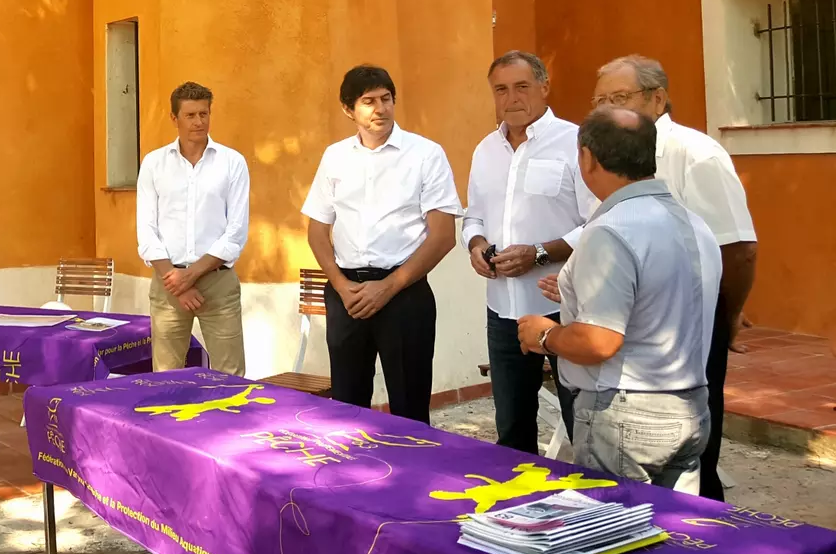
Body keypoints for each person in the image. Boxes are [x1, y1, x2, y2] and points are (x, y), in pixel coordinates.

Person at [518, 108, 722, 492]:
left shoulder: (611, 229)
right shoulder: (694, 223)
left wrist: (544, 335)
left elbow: (599, 342)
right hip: (690, 404)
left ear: (587, 158)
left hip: (626, 412)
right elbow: (662, 296)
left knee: (616, 526)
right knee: (669, 527)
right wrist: (579, 292)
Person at [589, 55, 757, 501]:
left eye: (619, 97)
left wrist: (729, 313)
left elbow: (738, 248)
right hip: (625, 332)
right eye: (600, 101)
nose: (607, 109)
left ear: (658, 98)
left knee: (692, 464)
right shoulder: (603, 155)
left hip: (687, 325)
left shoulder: (695, 154)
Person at [302, 65, 463, 423]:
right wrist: (340, 285)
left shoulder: (425, 154)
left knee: (409, 408)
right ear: (348, 110)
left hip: (404, 293)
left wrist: (388, 288)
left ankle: (412, 461)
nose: (380, 108)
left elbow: (443, 236)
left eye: (386, 99)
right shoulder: (335, 157)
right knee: (347, 407)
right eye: (368, 101)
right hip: (347, 295)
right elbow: (317, 229)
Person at [463, 51, 592, 454]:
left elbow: (598, 222)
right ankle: (520, 494)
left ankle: (591, 493)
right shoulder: (485, 150)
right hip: (503, 308)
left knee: (583, 424)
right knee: (512, 428)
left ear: (544, 87)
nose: (511, 98)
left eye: (521, 87)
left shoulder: (576, 143)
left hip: (564, 304)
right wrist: (476, 245)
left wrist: (539, 253)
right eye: (501, 89)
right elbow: (473, 216)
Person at [137, 81, 249, 375]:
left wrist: (191, 275)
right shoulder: (154, 164)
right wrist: (176, 282)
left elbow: (236, 232)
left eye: (203, 114)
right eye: (190, 115)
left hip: (217, 282)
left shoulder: (232, 162)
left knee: (229, 375)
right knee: (166, 376)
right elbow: (147, 231)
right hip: (168, 282)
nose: (199, 122)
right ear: (174, 118)